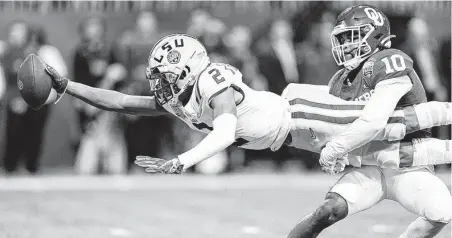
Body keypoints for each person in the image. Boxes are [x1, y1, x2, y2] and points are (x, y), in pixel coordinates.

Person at [39, 33, 451, 176]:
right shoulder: (183, 98)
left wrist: (182, 161)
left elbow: (223, 129)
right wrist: (68, 85)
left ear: (186, 68)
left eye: (164, 75)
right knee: (386, 157)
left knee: (392, 125)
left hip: (301, 113)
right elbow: (123, 101)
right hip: (293, 137)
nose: (160, 84)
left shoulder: (212, 78)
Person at [288, 5, 451, 238]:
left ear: (374, 34)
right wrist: (335, 149)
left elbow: (373, 121)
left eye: (350, 36)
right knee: (328, 210)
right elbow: (338, 126)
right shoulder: (340, 80)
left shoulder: (390, 60)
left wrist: (335, 149)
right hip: (368, 166)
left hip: (408, 166)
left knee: (441, 211)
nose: (345, 44)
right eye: (342, 38)